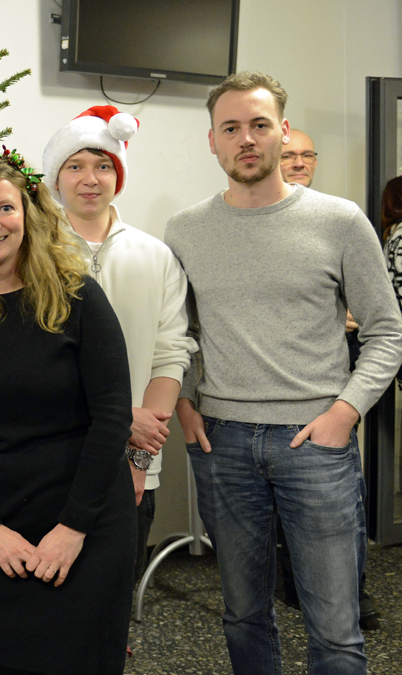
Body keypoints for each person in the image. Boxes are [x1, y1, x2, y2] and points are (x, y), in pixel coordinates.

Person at [166, 71, 402, 675]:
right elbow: (181, 336)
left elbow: (386, 332)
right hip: (222, 441)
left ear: (283, 132)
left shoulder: (340, 221)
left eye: (260, 125)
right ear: (213, 141)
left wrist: (344, 412)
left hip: (314, 442)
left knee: (335, 627)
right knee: (244, 614)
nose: (246, 139)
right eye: (231, 128)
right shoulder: (186, 229)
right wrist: (187, 408)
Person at [0, 147, 136, 675]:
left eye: (4, 208)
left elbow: (111, 417)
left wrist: (73, 528)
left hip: (83, 517)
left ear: (27, 214)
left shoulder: (77, 297)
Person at [41, 106, 196, 582]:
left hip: (133, 465)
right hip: (53, 460)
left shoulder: (156, 256)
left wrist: (138, 459)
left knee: (112, 603)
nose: (91, 179)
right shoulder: (34, 254)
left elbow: (171, 353)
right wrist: (115, 421)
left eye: (103, 165)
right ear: (56, 177)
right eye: (76, 166)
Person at [276, 128, 380, 627]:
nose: (298, 162)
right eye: (289, 154)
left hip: (330, 391)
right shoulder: (247, 220)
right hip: (260, 401)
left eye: (305, 155)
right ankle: (295, 587)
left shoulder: (338, 217)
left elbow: (378, 314)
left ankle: (350, 595)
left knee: (343, 508)